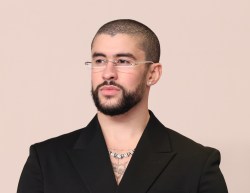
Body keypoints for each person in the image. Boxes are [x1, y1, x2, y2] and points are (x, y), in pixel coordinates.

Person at [17, 19, 228, 193]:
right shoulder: (46, 160)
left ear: (153, 74)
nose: (108, 73)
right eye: (99, 60)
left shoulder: (196, 164)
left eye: (123, 61)